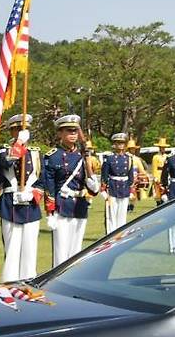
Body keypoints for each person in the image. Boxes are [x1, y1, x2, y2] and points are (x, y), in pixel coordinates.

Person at [0, 114, 44, 282]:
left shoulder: (35, 153)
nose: (23, 132)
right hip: (10, 205)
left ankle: (29, 280)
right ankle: (10, 281)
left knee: (30, 247)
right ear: (12, 131)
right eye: (19, 129)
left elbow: (42, 180)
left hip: (30, 204)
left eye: (25, 129)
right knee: (12, 246)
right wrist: (19, 144)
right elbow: (5, 164)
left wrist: (34, 192)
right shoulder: (3, 150)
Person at [44, 114, 100, 267]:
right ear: (60, 133)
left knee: (76, 250)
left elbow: (94, 189)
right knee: (61, 250)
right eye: (69, 131)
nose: (73, 134)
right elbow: (49, 186)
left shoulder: (83, 155)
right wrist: (50, 211)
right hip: (62, 205)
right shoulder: (53, 156)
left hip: (80, 206)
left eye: (75, 131)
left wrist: (88, 160)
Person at [101, 133, 136, 234]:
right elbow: (104, 176)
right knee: (111, 214)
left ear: (125, 145)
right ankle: (111, 235)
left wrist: (131, 189)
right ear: (114, 145)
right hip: (112, 188)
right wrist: (104, 190)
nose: (120, 145)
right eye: (118, 143)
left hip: (124, 188)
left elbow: (130, 176)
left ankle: (121, 234)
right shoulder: (109, 158)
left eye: (122, 143)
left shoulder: (128, 158)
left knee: (122, 214)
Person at [151, 137, 169, 205]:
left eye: (164, 147)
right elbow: (154, 167)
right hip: (158, 173)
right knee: (158, 190)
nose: (163, 148)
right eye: (162, 147)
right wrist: (155, 177)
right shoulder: (155, 157)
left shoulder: (167, 156)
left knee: (164, 189)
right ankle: (158, 202)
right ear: (159, 147)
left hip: (165, 174)